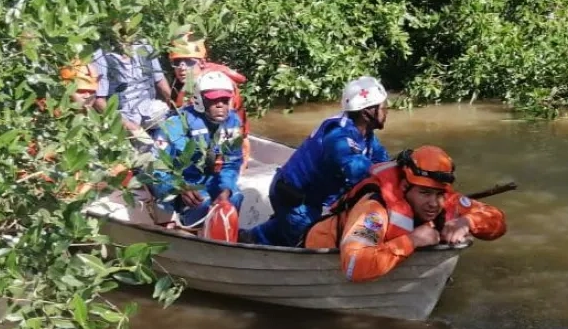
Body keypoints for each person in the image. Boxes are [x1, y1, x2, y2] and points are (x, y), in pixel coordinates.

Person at [304, 145, 506, 282]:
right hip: (318, 250)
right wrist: (412, 241)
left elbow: (497, 220)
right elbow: (354, 267)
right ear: (403, 186)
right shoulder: (375, 210)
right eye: (425, 193)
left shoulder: (445, 198)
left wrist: (467, 221)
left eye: (439, 194)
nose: (434, 204)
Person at [246, 76, 391, 247]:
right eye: (384, 107)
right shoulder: (338, 135)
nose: (387, 111)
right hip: (295, 198)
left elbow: (384, 162)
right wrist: (377, 171)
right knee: (311, 241)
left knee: (280, 232)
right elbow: (354, 169)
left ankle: (250, 238)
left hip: (309, 197)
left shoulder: (366, 135)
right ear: (367, 112)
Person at [149, 71, 246, 242]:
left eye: (224, 100)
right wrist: (178, 187)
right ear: (200, 100)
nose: (220, 105)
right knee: (202, 201)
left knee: (235, 196)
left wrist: (226, 187)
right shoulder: (173, 125)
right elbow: (156, 168)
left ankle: (226, 239)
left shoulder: (233, 123)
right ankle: (189, 236)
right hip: (184, 184)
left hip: (211, 179)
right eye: (213, 100)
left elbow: (232, 162)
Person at [167, 32, 251, 170]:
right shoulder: (188, 85)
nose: (182, 67)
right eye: (177, 62)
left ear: (201, 62)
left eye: (188, 62)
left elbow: (230, 132)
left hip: (230, 148)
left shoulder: (219, 86)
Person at [93, 21, 173, 147]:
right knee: (140, 151)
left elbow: (160, 81)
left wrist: (177, 106)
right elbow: (98, 101)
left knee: (168, 118)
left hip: (150, 109)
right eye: (121, 32)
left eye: (129, 32)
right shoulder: (100, 57)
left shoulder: (145, 48)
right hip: (121, 114)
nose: (125, 36)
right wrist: (129, 125)